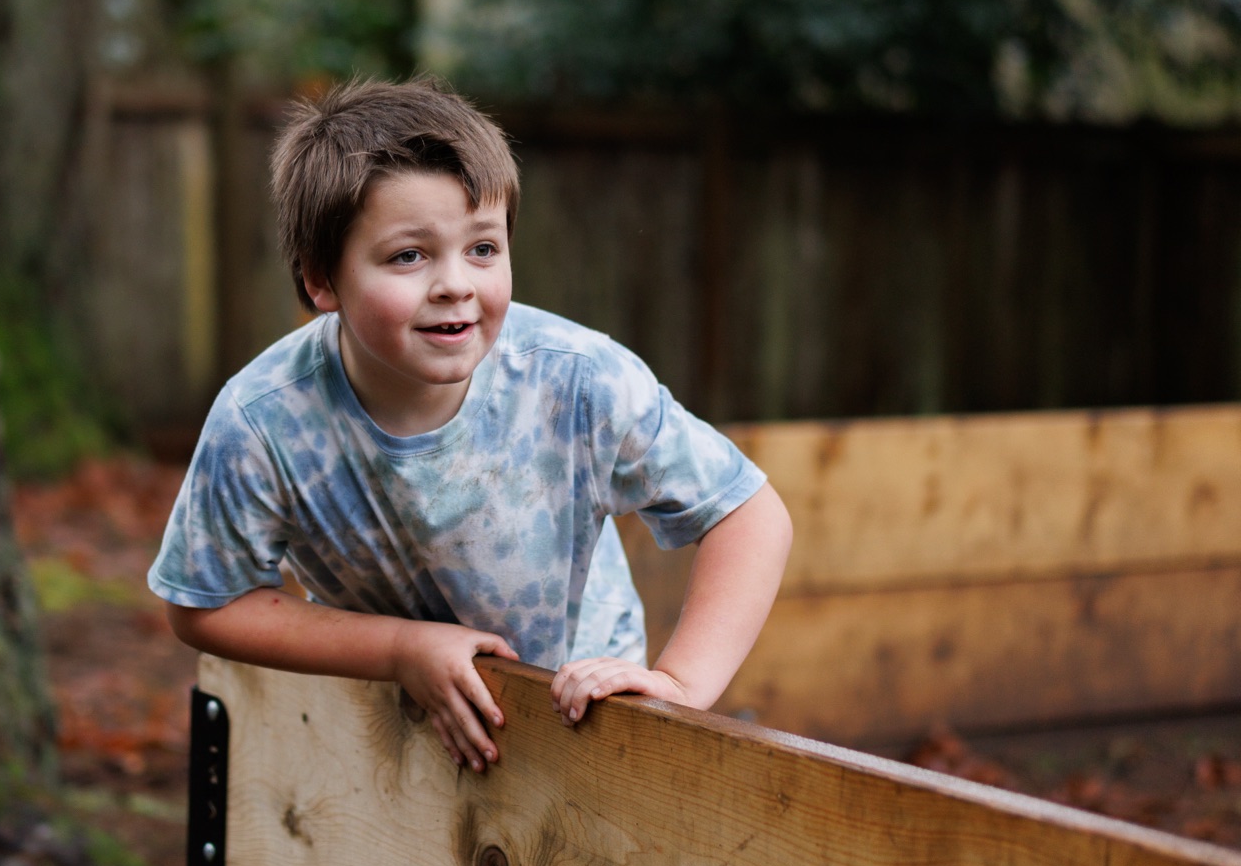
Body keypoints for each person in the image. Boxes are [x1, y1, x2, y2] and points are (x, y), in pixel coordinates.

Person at [149, 79, 792, 772]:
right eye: (408, 255)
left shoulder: (578, 381)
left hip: (586, 726)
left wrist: (681, 685)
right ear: (321, 281)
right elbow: (206, 603)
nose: (455, 284)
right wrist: (402, 649)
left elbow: (749, 512)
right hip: (400, 738)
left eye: (482, 249)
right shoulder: (264, 420)